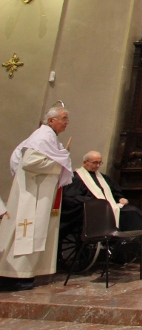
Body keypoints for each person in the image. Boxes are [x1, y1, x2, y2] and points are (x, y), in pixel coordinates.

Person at [0, 107, 73, 290]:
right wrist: (59, 164)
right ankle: (12, 276)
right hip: (32, 194)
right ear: (51, 120)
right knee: (26, 232)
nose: (67, 123)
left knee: (34, 232)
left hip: (40, 193)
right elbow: (29, 162)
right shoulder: (42, 136)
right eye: (63, 119)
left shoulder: (50, 137)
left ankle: (25, 274)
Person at [61, 151, 142, 260]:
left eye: (99, 163)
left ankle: (137, 242)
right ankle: (123, 244)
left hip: (108, 207)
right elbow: (70, 198)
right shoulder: (76, 178)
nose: (97, 165)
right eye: (94, 163)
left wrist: (120, 198)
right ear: (85, 162)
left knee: (133, 211)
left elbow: (115, 192)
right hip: (90, 212)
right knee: (119, 214)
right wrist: (93, 201)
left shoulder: (103, 178)